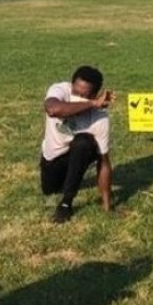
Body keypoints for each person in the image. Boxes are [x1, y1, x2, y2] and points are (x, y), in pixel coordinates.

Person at [40, 65, 115, 222]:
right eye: (76, 92)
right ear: (71, 85)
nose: (78, 97)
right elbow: (53, 109)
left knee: (84, 143)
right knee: (50, 189)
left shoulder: (99, 117)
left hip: (78, 154)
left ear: (94, 94)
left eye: (84, 95)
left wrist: (108, 206)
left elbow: (104, 161)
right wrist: (92, 104)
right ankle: (65, 182)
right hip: (52, 161)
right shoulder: (59, 90)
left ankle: (66, 204)